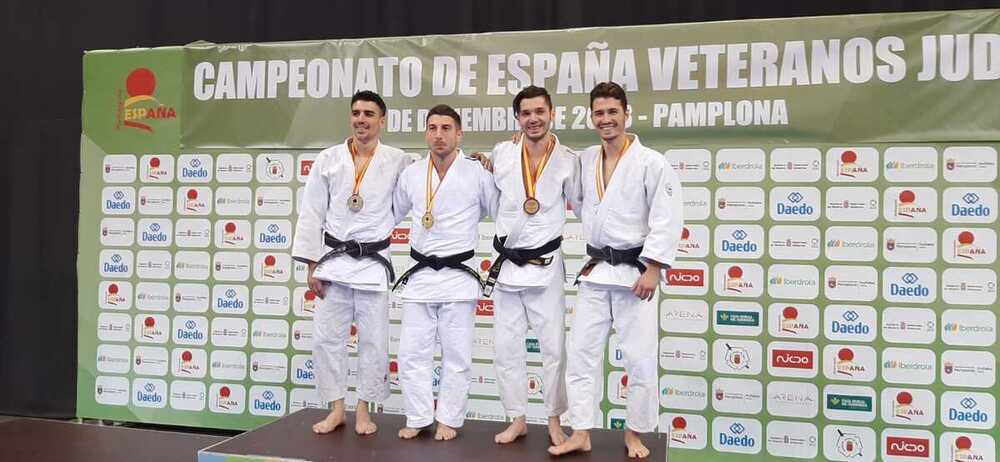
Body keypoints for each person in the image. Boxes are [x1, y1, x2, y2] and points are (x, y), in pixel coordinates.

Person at [549, 82, 683, 459]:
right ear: (592, 117)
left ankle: (635, 432)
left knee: (639, 359)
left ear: (627, 114)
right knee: (581, 357)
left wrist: (654, 268)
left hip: (634, 274)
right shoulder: (586, 159)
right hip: (596, 273)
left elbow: (667, 219)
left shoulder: (652, 162)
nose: (606, 119)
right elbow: (553, 165)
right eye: (599, 113)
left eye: (612, 112)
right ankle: (581, 431)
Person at [292, 90, 411, 436]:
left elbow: (418, 191)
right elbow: (311, 212)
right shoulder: (328, 159)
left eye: (369, 114)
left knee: (374, 340)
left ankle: (363, 410)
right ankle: (336, 409)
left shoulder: (398, 160)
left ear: (382, 120)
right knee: (326, 339)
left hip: (373, 262)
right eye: (357, 113)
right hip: (333, 261)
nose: (362, 119)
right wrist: (311, 265)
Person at [393, 104, 500, 441]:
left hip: (458, 276)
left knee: (457, 356)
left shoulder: (478, 173)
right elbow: (391, 214)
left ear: (459, 133)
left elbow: (500, 212)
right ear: (426, 132)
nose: (439, 135)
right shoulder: (411, 174)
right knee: (411, 354)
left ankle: (449, 419)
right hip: (421, 275)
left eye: (446, 128)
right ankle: (419, 416)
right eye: (433, 128)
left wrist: (497, 168)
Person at [481, 86, 579, 446]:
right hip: (508, 266)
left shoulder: (570, 159)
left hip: (547, 265)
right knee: (507, 348)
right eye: (526, 113)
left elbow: (585, 205)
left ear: (551, 113)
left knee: (553, 349)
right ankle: (517, 418)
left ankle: (554, 420)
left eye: (540, 111)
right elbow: (492, 197)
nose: (533, 118)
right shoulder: (503, 152)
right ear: (517, 118)